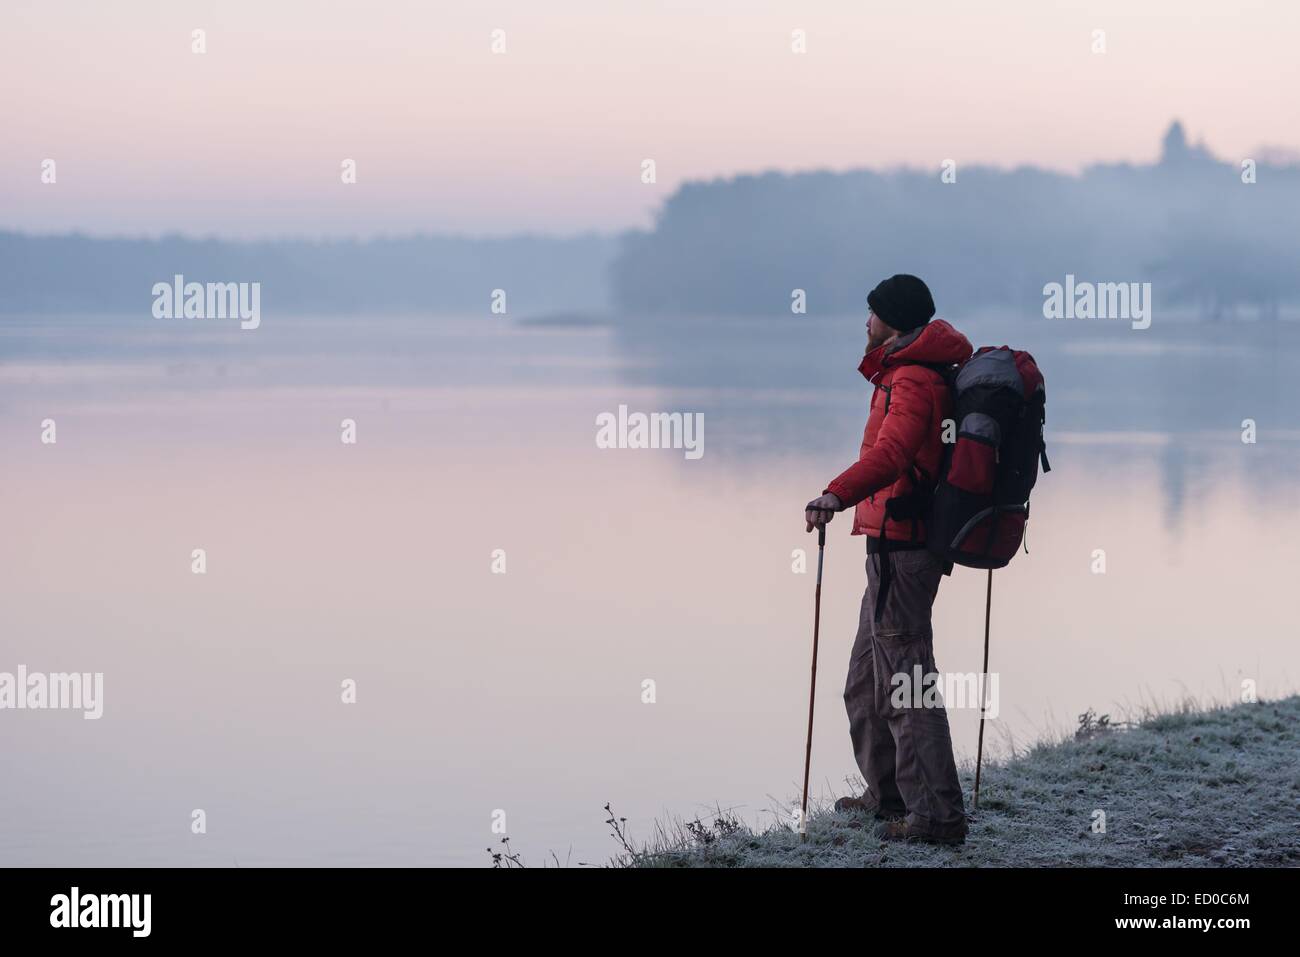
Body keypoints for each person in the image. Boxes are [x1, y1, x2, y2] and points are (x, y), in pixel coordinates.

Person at [804, 274, 972, 845]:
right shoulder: (904, 374)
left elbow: (894, 454)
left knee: (907, 685)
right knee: (864, 681)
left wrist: (834, 493)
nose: (866, 323)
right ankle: (890, 796)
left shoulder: (914, 380)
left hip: (905, 547)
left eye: (872, 314)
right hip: (888, 547)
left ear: (893, 323)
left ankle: (938, 818)